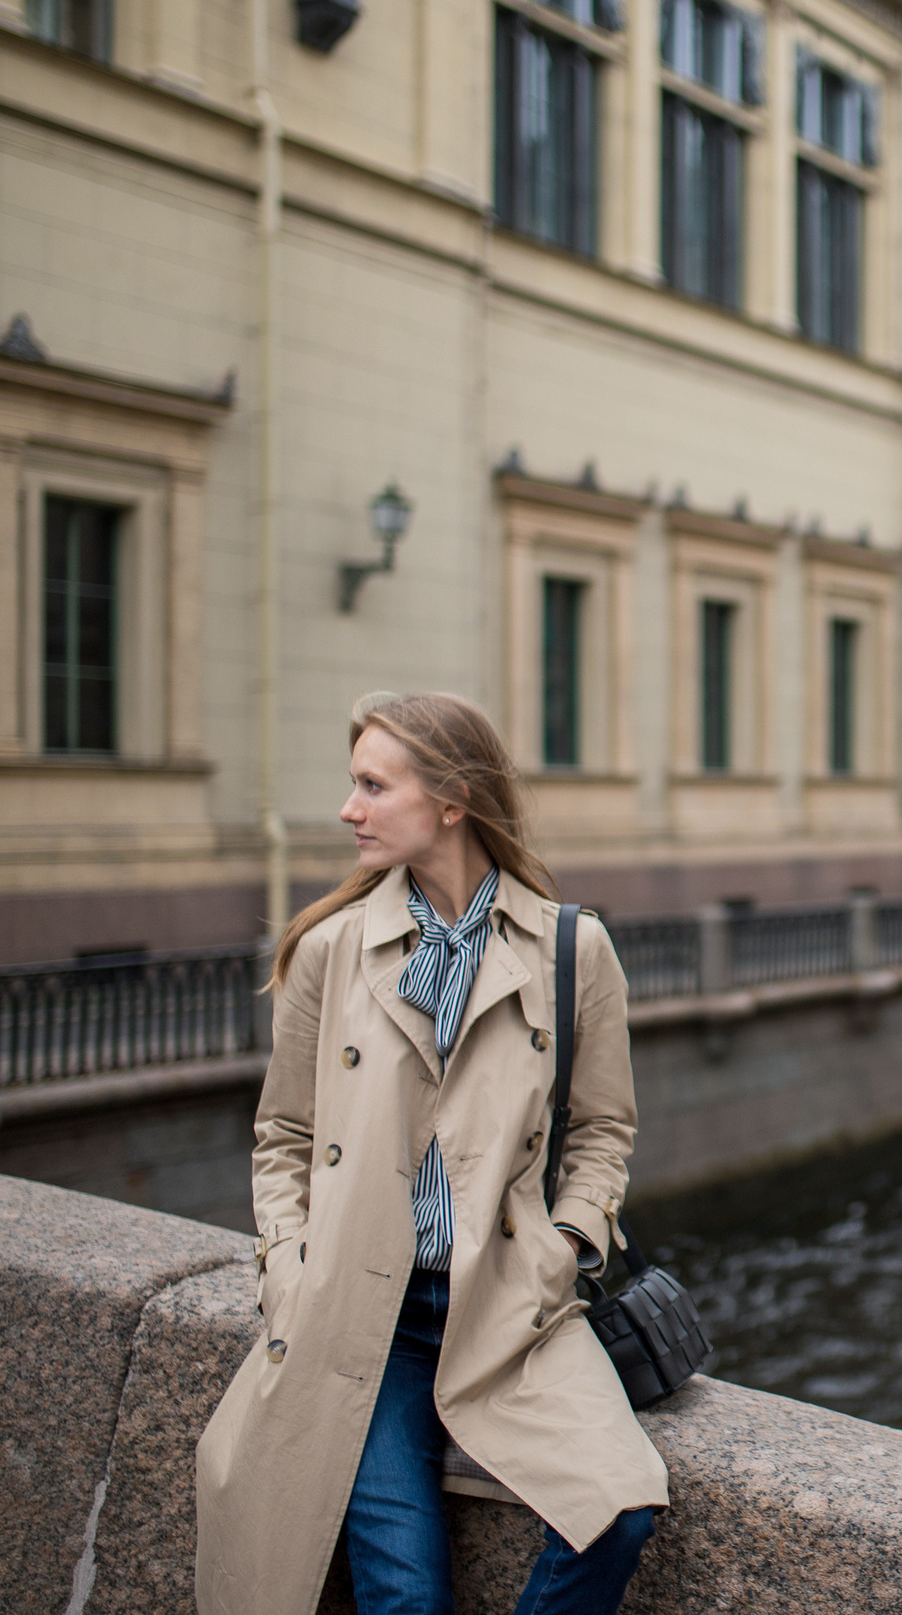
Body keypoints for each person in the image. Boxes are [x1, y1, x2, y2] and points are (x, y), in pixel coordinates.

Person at [197, 691, 665, 1615]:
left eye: (373, 785)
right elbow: (283, 1134)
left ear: (451, 799)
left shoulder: (572, 949)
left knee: (619, 1511)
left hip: (508, 1308)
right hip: (358, 1320)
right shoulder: (331, 949)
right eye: (353, 784)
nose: (349, 808)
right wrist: (290, 1268)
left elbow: (605, 1128)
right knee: (406, 1598)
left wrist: (565, 1245)